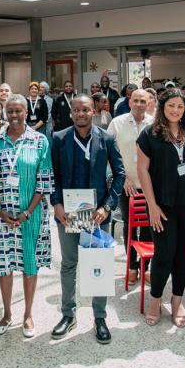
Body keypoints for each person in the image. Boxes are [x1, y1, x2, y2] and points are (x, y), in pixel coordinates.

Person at [50, 94, 125, 344]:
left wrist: (107, 207)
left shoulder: (107, 138)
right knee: (69, 265)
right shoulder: (59, 138)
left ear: (94, 111)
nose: (80, 114)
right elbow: (52, 175)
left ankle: (99, 318)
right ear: (70, 113)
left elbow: (120, 175)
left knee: (98, 265)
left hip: (97, 215)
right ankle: (68, 315)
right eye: (76, 110)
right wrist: (56, 204)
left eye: (85, 110)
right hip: (68, 214)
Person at [137, 88, 185, 327]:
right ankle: (155, 301)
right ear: (162, 107)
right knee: (163, 256)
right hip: (162, 206)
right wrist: (152, 206)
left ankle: (177, 302)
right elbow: (142, 171)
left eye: (180, 106)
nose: (176, 110)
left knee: (182, 256)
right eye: (171, 106)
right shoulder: (150, 134)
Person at [0, 95, 53, 339]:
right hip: (0, 215)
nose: (14, 115)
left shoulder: (39, 141)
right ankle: (6, 313)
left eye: (19, 111)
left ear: (27, 112)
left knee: (29, 264)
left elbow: (44, 180)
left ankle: (28, 314)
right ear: (5, 113)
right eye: (10, 111)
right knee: (5, 265)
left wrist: (26, 212)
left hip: (31, 215)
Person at [108, 88, 153, 286]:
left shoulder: (154, 123)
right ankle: (132, 266)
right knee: (129, 224)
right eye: (136, 100)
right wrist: (122, 178)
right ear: (130, 101)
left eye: (143, 101)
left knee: (148, 226)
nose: (139, 104)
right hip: (127, 184)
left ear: (149, 102)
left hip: (149, 184)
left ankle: (146, 267)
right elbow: (109, 152)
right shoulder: (117, 123)